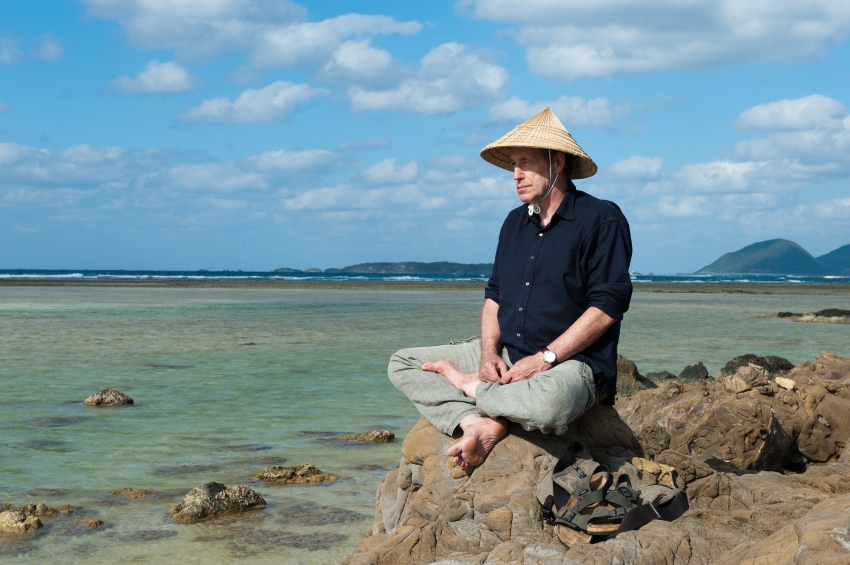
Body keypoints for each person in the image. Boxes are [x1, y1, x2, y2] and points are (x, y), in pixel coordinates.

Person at [389, 107, 632, 468]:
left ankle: (472, 390)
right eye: (514, 165)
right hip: (507, 357)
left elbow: (608, 306)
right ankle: (476, 421)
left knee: (550, 405)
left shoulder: (601, 219)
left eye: (526, 163)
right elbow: (495, 298)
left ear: (557, 163)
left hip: (570, 365)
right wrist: (488, 354)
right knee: (403, 363)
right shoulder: (514, 223)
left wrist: (545, 359)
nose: (516, 175)